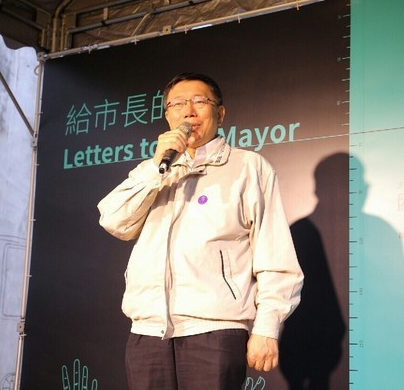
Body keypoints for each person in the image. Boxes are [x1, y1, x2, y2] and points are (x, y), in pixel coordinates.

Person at [97, 72, 303, 390]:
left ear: (220, 113)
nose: (188, 112)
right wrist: (155, 169)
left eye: (199, 101)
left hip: (214, 330)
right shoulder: (155, 170)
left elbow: (275, 253)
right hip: (148, 331)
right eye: (177, 104)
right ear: (168, 116)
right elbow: (114, 220)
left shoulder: (248, 167)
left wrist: (267, 326)